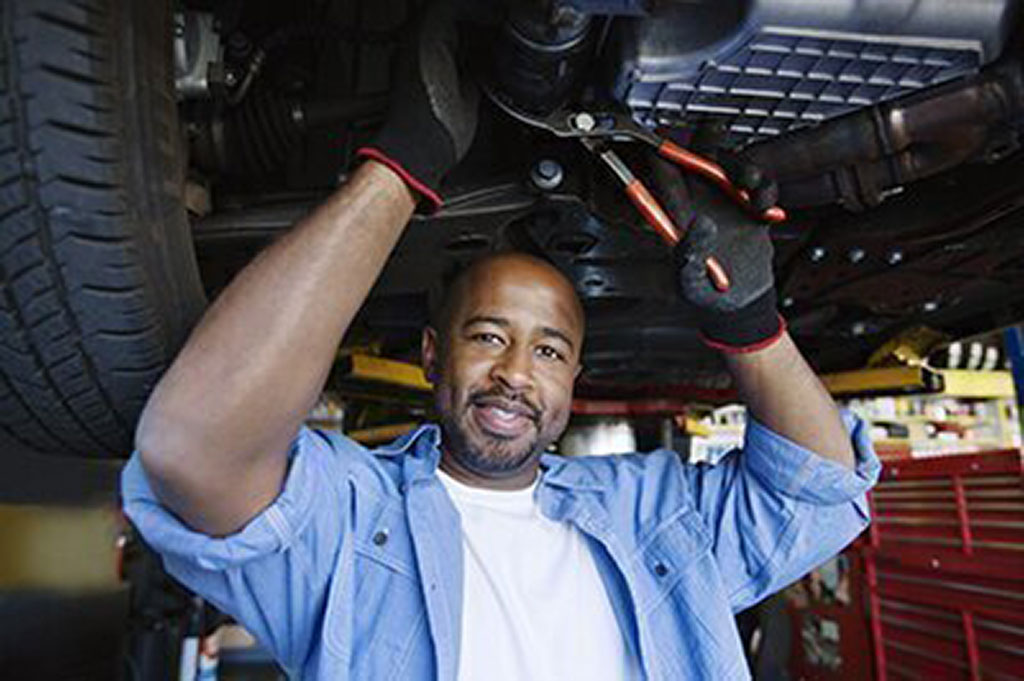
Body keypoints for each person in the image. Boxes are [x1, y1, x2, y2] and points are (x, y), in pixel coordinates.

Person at [121, 5, 879, 680]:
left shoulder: (653, 513)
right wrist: (399, 170)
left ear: (573, 378)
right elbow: (196, 447)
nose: (516, 373)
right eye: (488, 336)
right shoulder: (348, 522)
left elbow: (814, 493)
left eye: (548, 350)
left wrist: (750, 321)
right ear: (430, 355)